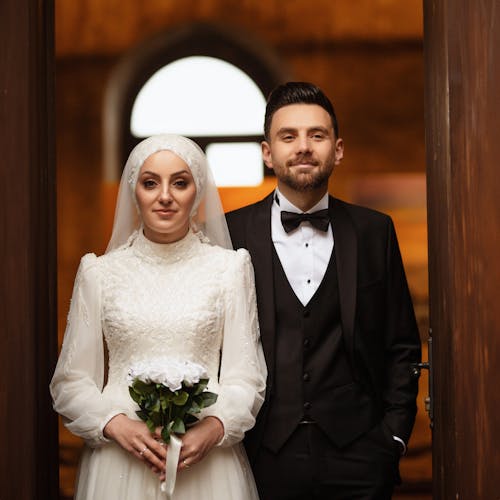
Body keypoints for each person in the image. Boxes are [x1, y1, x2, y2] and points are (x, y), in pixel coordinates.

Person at [226, 82, 422, 499]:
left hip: (361, 456)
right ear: (267, 152)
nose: (303, 147)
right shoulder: (228, 232)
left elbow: (402, 343)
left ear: (337, 149)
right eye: (288, 136)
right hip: (260, 456)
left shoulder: (375, 231)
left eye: (317, 135)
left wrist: (393, 438)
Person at [50, 134, 267, 500]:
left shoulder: (230, 268)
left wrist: (212, 428)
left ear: (197, 191)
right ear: (134, 190)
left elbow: (247, 376)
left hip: (207, 464)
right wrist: (115, 425)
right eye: (150, 183)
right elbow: (70, 382)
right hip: (119, 462)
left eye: (180, 183)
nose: (165, 195)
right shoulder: (98, 273)